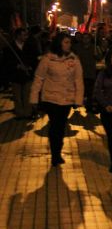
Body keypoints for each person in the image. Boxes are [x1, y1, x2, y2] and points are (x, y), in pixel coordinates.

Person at [29, 33, 84, 167]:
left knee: (60, 126)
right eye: (66, 42)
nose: (68, 45)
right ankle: (55, 154)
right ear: (59, 43)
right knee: (55, 126)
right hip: (51, 99)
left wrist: (78, 100)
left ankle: (57, 151)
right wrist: (34, 98)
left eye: (69, 42)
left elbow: (78, 80)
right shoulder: (48, 59)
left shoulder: (74, 59)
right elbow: (39, 78)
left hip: (66, 99)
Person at [4, 28, 39, 119]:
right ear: (18, 35)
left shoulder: (30, 46)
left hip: (27, 75)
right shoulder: (10, 47)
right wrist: (17, 66)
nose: (25, 37)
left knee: (27, 95)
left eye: (26, 35)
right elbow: (6, 61)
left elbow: (34, 58)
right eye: (24, 35)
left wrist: (29, 66)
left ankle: (27, 113)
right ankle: (19, 113)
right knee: (17, 96)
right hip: (15, 76)